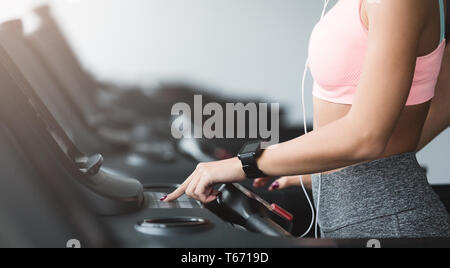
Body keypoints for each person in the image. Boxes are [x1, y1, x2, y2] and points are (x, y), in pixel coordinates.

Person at [164, 0, 450, 238]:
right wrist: (326, 169)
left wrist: (244, 163)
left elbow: (367, 137)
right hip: (357, 213)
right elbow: (436, 110)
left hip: (388, 222)